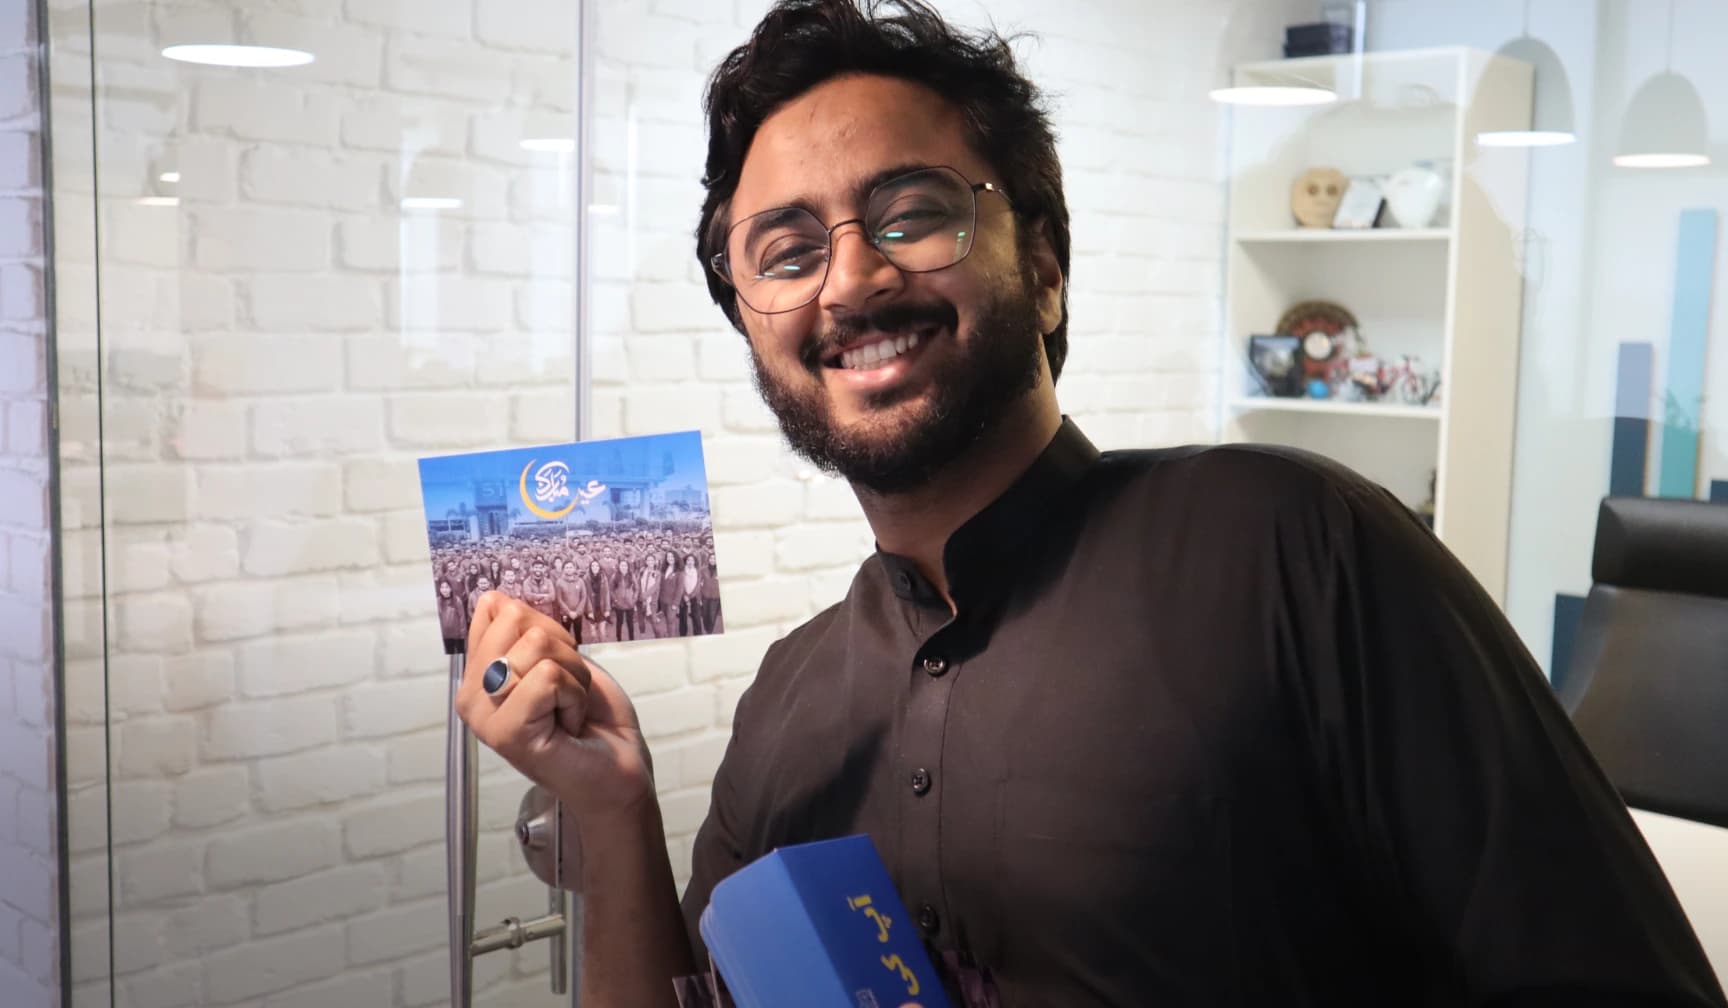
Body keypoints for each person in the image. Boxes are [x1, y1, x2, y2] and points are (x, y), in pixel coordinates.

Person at [455, 2, 1728, 1006]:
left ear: (1046, 269)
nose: (849, 279)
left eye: (913, 214)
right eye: (784, 252)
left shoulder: (1294, 550)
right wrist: (614, 811)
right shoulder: (790, 703)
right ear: (755, 321)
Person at [613, 557, 640, 642]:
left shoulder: (631, 575)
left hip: (630, 604)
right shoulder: (615, 576)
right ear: (619, 566)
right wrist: (615, 600)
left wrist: (634, 599)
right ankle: (619, 639)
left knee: (630, 623)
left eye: (625, 565)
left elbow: (637, 588)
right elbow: (611, 590)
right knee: (619, 623)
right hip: (619, 605)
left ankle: (631, 640)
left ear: (628, 567)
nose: (623, 567)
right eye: (621, 565)